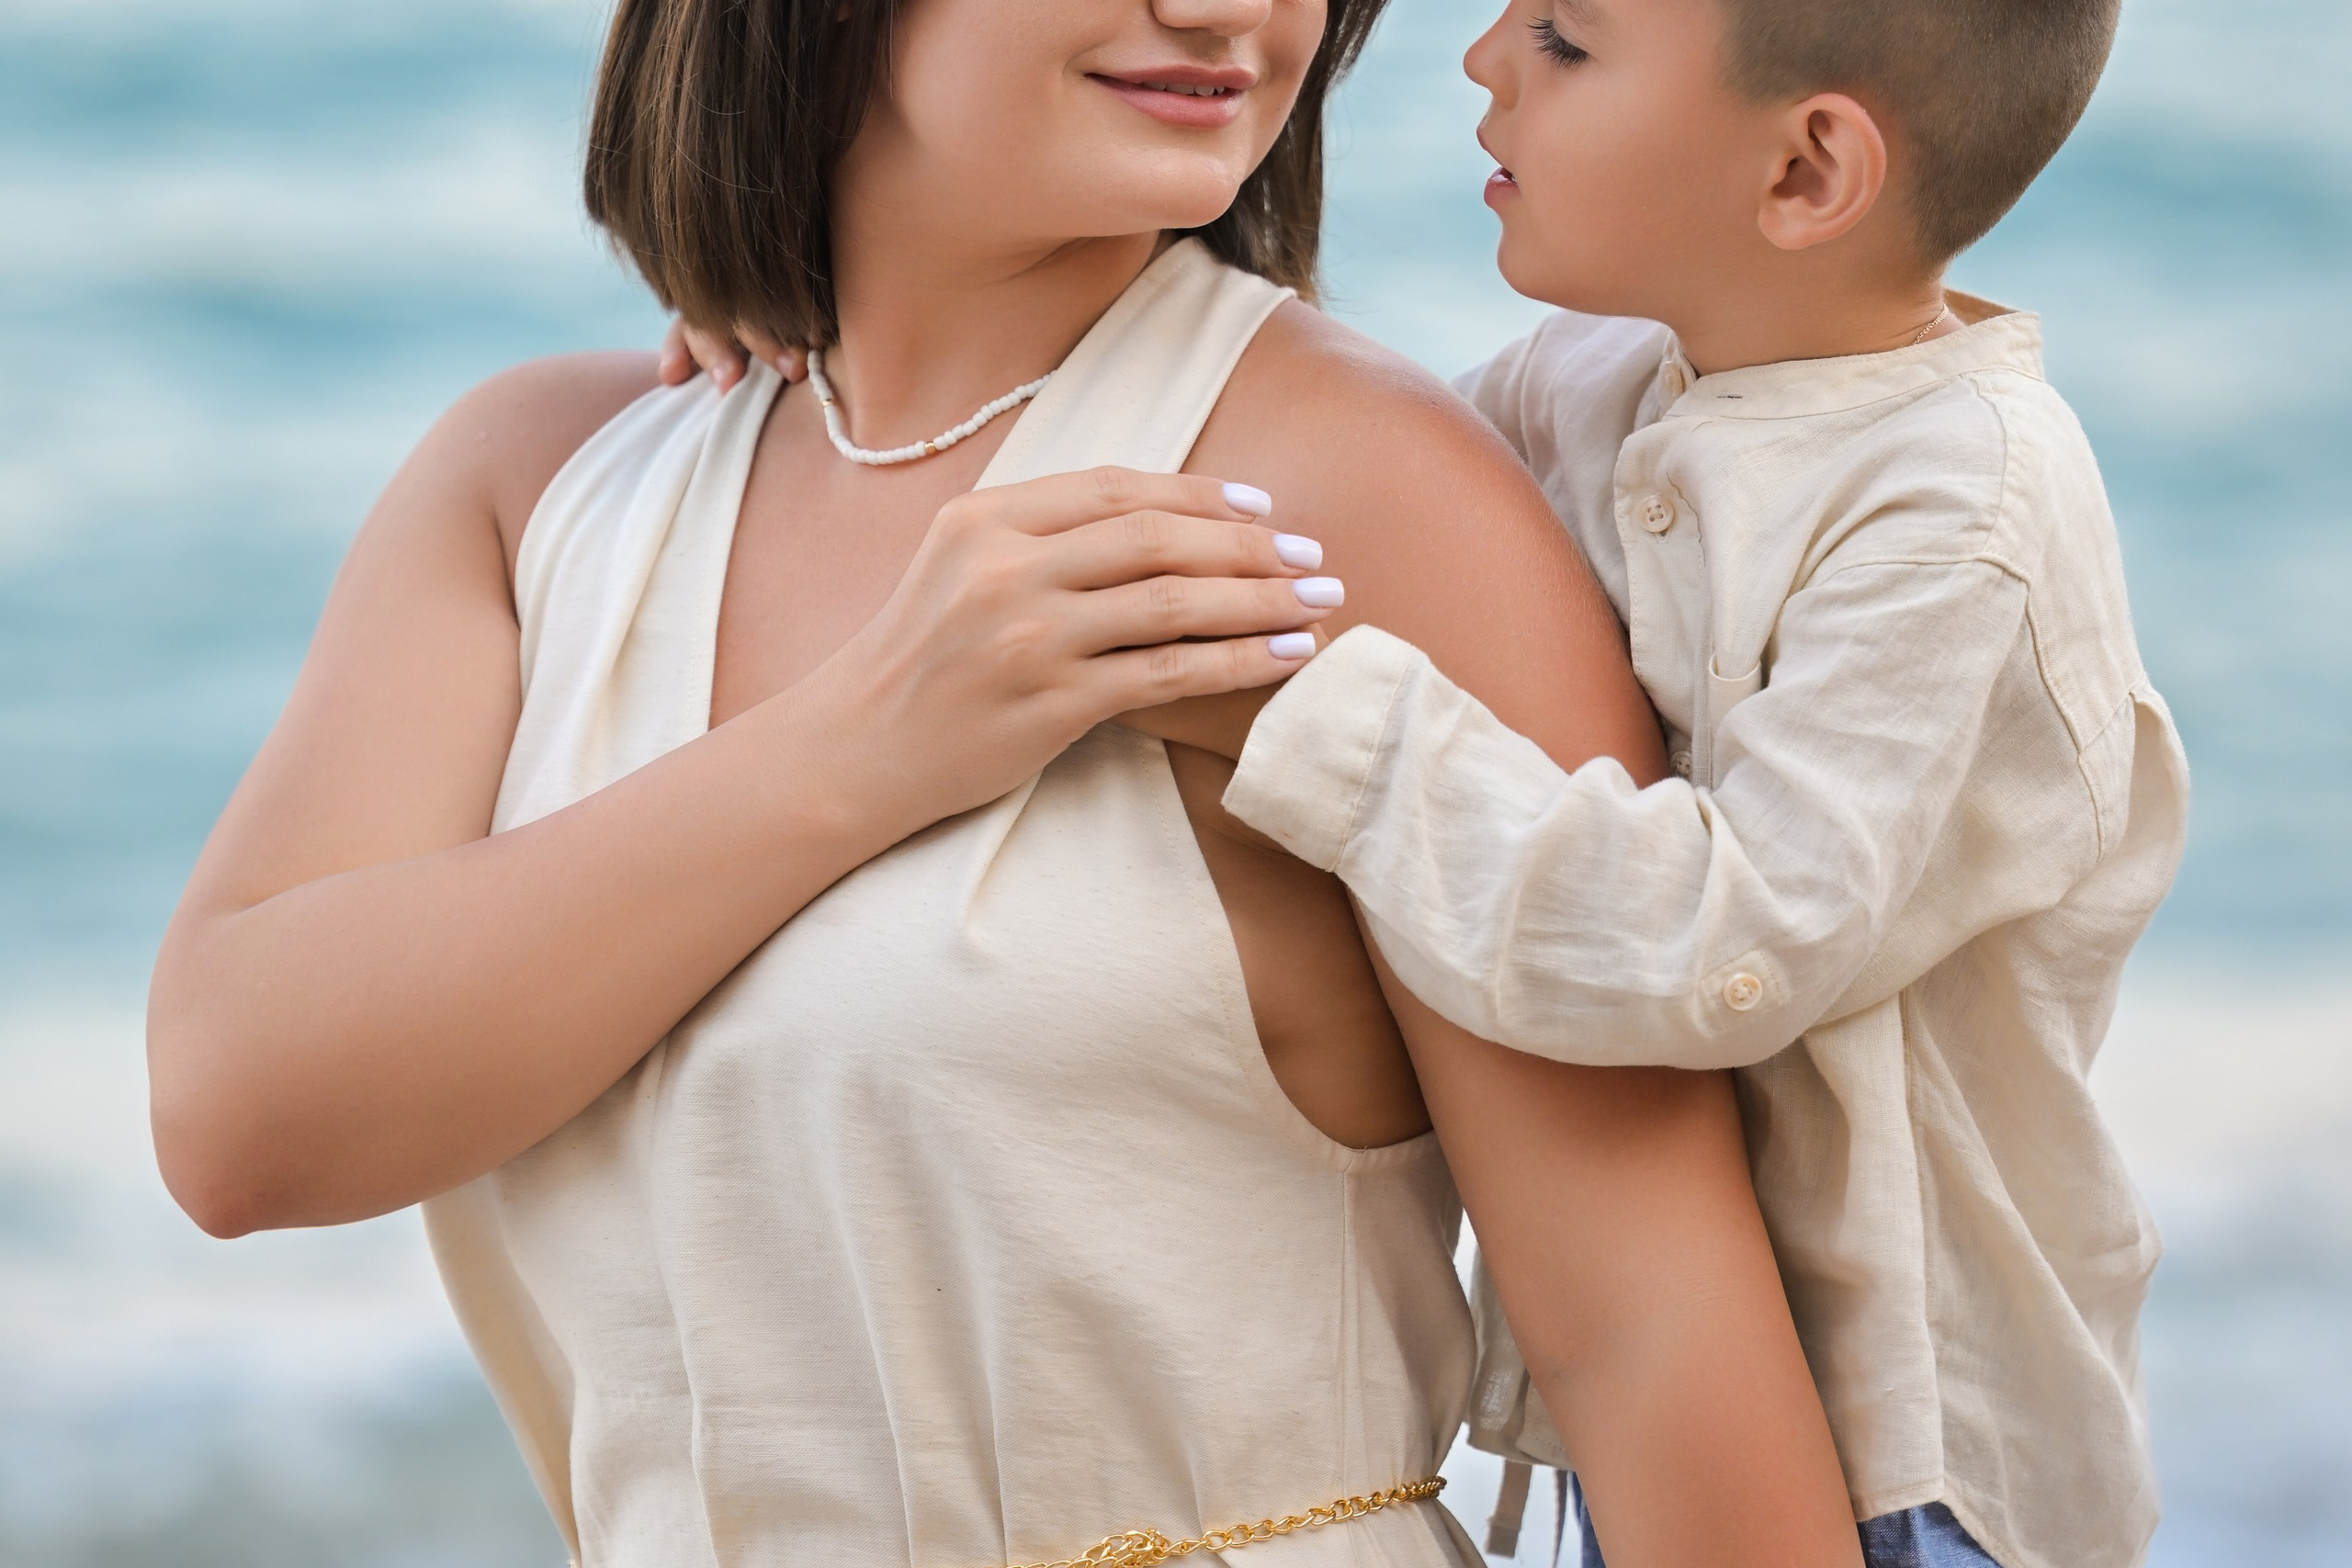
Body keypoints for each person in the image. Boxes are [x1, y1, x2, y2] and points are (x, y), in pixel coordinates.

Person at [146, 2, 1864, 1566]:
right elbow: (243, 1121)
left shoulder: (1349, 501)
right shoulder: (542, 486)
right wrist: (868, 744)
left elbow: (1652, 1343)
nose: (1228, 13)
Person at [1204, 2, 2186, 1567]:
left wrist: (1292, 718)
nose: (1483, 58)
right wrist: (796, 353)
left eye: (1566, 41)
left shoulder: (1959, 514)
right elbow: (1325, 493)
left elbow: (1720, 947)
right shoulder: (1598, 380)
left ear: (1805, 173)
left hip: (1906, 1459)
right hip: (1674, 1398)